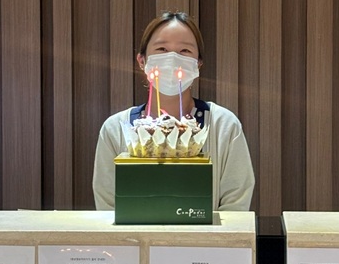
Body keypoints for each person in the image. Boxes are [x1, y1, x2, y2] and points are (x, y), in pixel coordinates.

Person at [93, 11, 255, 211]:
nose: (172, 58)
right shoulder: (115, 129)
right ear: (142, 61)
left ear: (198, 64)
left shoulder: (224, 126)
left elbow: (235, 205)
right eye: (161, 49)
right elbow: (108, 208)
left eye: (185, 51)